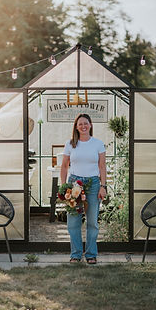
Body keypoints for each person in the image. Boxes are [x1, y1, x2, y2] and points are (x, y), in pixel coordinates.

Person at [60, 113, 107, 264]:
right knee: (73, 221)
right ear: (76, 126)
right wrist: (63, 186)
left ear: (91, 125)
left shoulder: (98, 143)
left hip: (93, 184)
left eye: (86, 123)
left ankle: (91, 254)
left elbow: (102, 166)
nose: (83, 126)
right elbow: (64, 165)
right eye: (80, 124)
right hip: (74, 184)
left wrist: (103, 186)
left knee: (92, 221)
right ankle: (75, 254)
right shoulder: (70, 144)